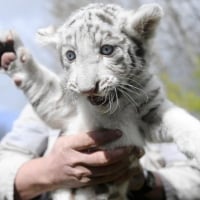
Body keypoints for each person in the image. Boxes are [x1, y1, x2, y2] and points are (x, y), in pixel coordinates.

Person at [1, 105, 200, 200]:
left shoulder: (158, 110)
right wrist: (51, 172)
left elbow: (195, 178)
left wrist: (143, 181)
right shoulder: (46, 104)